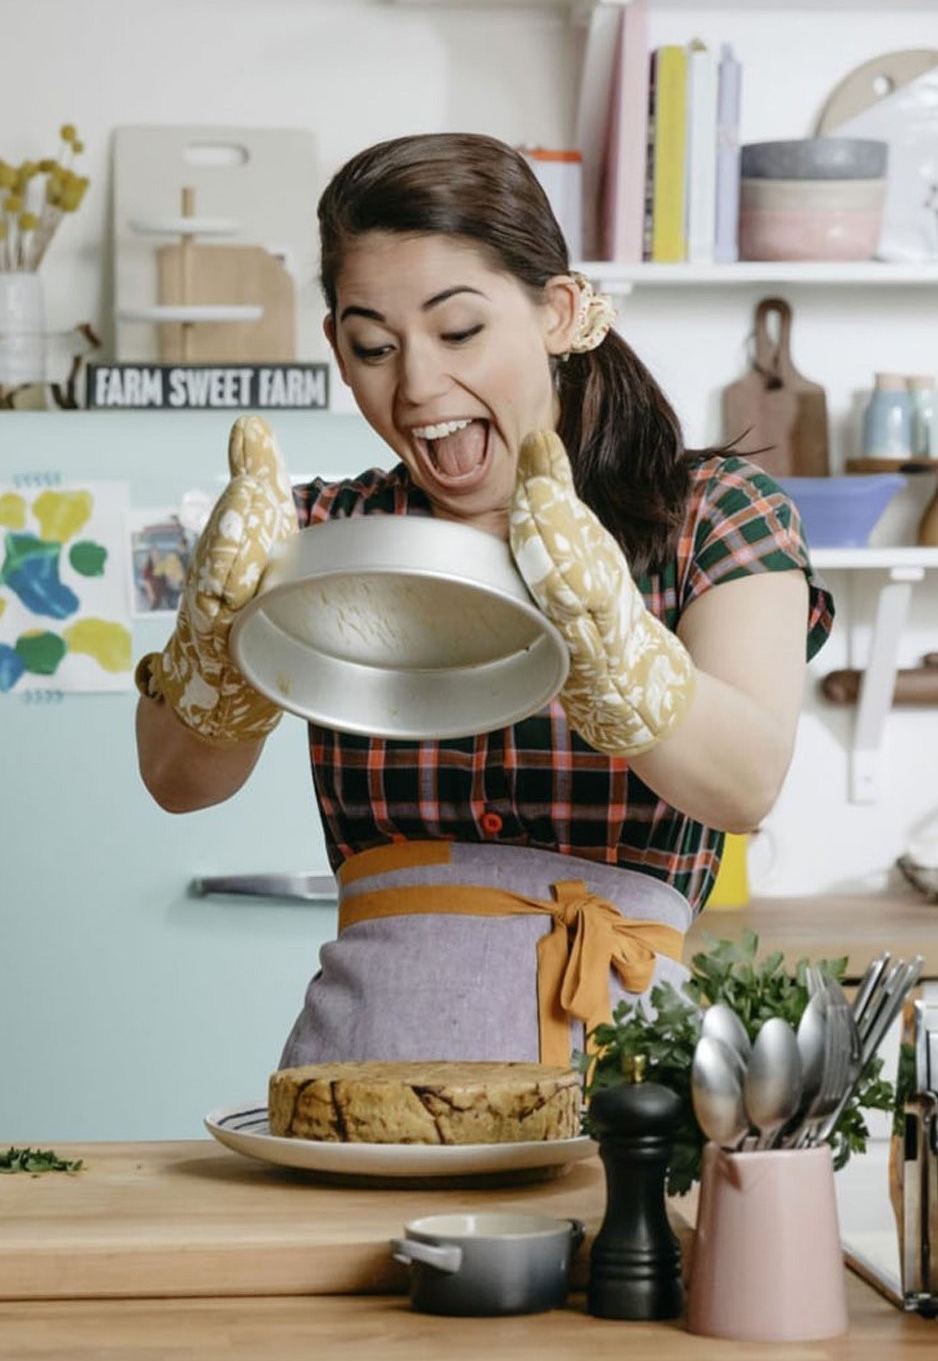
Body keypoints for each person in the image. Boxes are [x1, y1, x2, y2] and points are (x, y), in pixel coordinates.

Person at [136, 132, 833, 1069]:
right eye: (373, 345)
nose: (418, 385)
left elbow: (746, 784)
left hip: (623, 1084)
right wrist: (217, 641)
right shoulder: (317, 533)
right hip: (360, 1077)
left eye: (458, 331)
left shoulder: (709, 514)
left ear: (556, 311)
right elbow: (179, 784)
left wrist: (611, 640)